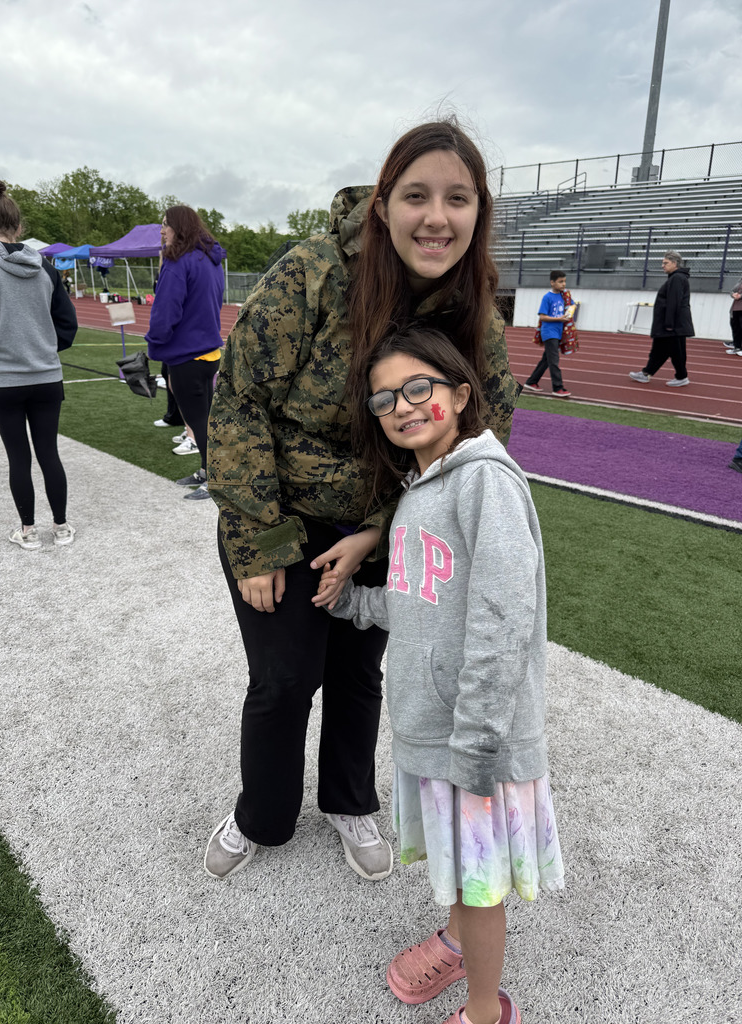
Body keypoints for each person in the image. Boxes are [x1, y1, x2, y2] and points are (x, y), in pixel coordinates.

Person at [204, 118, 521, 884]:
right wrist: (259, 540)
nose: (436, 217)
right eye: (416, 195)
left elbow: (489, 419)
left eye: (457, 198)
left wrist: (382, 532)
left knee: (359, 673)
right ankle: (261, 814)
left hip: (390, 524)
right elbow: (239, 398)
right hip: (284, 514)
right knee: (285, 678)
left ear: (478, 212)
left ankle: (350, 801)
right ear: (384, 205)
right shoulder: (314, 274)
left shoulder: (473, 309)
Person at [314, 328, 564, 1024]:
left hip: (473, 739)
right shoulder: (418, 490)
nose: (402, 406)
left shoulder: (485, 481)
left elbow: (502, 614)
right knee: (463, 870)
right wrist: (354, 602)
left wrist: (480, 739)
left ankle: (487, 1009)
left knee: (481, 884)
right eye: (386, 397)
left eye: (418, 388)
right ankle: (457, 938)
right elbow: (421, 593)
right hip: (437, 728)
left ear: (459, 395)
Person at [0, 178, 78, 549]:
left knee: (18, 457)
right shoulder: (45, 267)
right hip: (45, 376)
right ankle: (60, 527)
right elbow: (67, 325)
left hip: (3, 379)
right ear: (19, 225)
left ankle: (27, 531)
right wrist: (41, 348)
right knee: (49, 452)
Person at [145, 205, 224, 500]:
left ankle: (214, 480)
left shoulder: (178, 261)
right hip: (209, 353)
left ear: (179, 227)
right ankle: (206, 471)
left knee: (199, 422)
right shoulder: (210, 259)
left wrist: (155, 342)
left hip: (186, 355)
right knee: (206, 418)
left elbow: (166, 312)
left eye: (165, 225)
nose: (162, 230)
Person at [629, 250, 694, 387]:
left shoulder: (677, 278)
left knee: (674, 351)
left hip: (672, 325)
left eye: (665, 263)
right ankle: (647, 373)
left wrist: (669, 324)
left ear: (675, 263)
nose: (662, 266)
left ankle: (681, 376)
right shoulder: (676, 278)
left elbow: (673, 302)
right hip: (672, 324)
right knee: (662, 350)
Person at [522, 270, 572, 397]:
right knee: (554, 361)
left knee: (546, 360)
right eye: (560, 282)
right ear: (552, 282)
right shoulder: (547, 297)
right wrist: (559, 319)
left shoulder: (564, 296)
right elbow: (542, 317)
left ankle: (531, 382)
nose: (563, 284)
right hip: (549, 332)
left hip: (559, 332)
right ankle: (558, 387)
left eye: (564, 281)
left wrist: (570, 310)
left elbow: (572, 306)